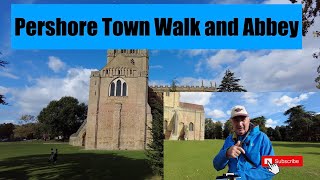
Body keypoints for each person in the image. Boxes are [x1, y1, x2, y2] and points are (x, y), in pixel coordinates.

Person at [213, 105, 276, 180]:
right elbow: (217, 165)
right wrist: (226, 153)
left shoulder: (262, 138)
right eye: (236, 120)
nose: (240, 124)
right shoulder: (229, 139)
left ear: (249, 120)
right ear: (231, 122)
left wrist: (239, 177)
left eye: (243, 119)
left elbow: (271, 169)